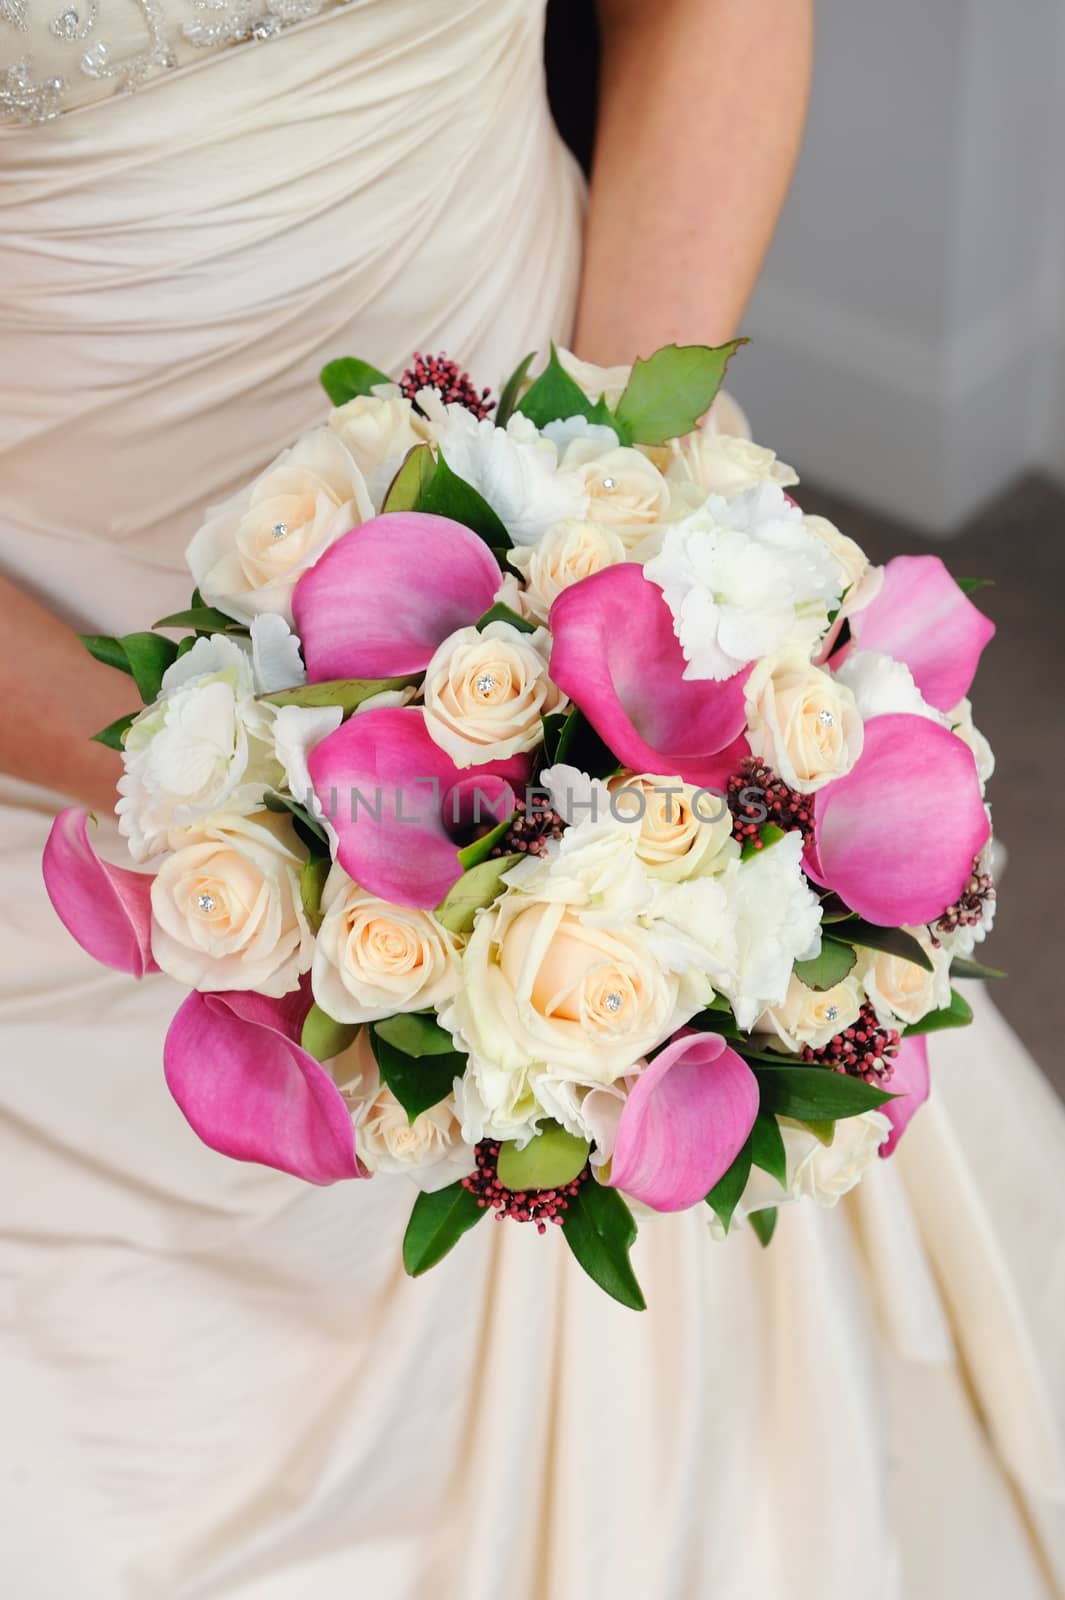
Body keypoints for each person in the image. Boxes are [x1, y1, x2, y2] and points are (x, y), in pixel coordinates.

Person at [1, 3, 1063, 1595]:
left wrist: (624, 511)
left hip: (578, 488)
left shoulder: (611, 542)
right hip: (73, 683)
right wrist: (235, 796)